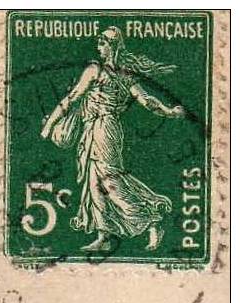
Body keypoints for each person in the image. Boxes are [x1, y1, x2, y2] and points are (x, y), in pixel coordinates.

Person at [40, 26, 185, 254]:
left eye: (103, 42)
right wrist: (168, 111)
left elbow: (145, 100)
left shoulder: (105, 72)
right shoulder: (109, 72)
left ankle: (151, 220)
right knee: (93, 181)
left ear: (112, 45)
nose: (99, 46)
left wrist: (169, 112)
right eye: (99, 42)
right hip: (94, 128)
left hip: (105, 130)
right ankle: (104, 235)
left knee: (110, 181)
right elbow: (74, 97)